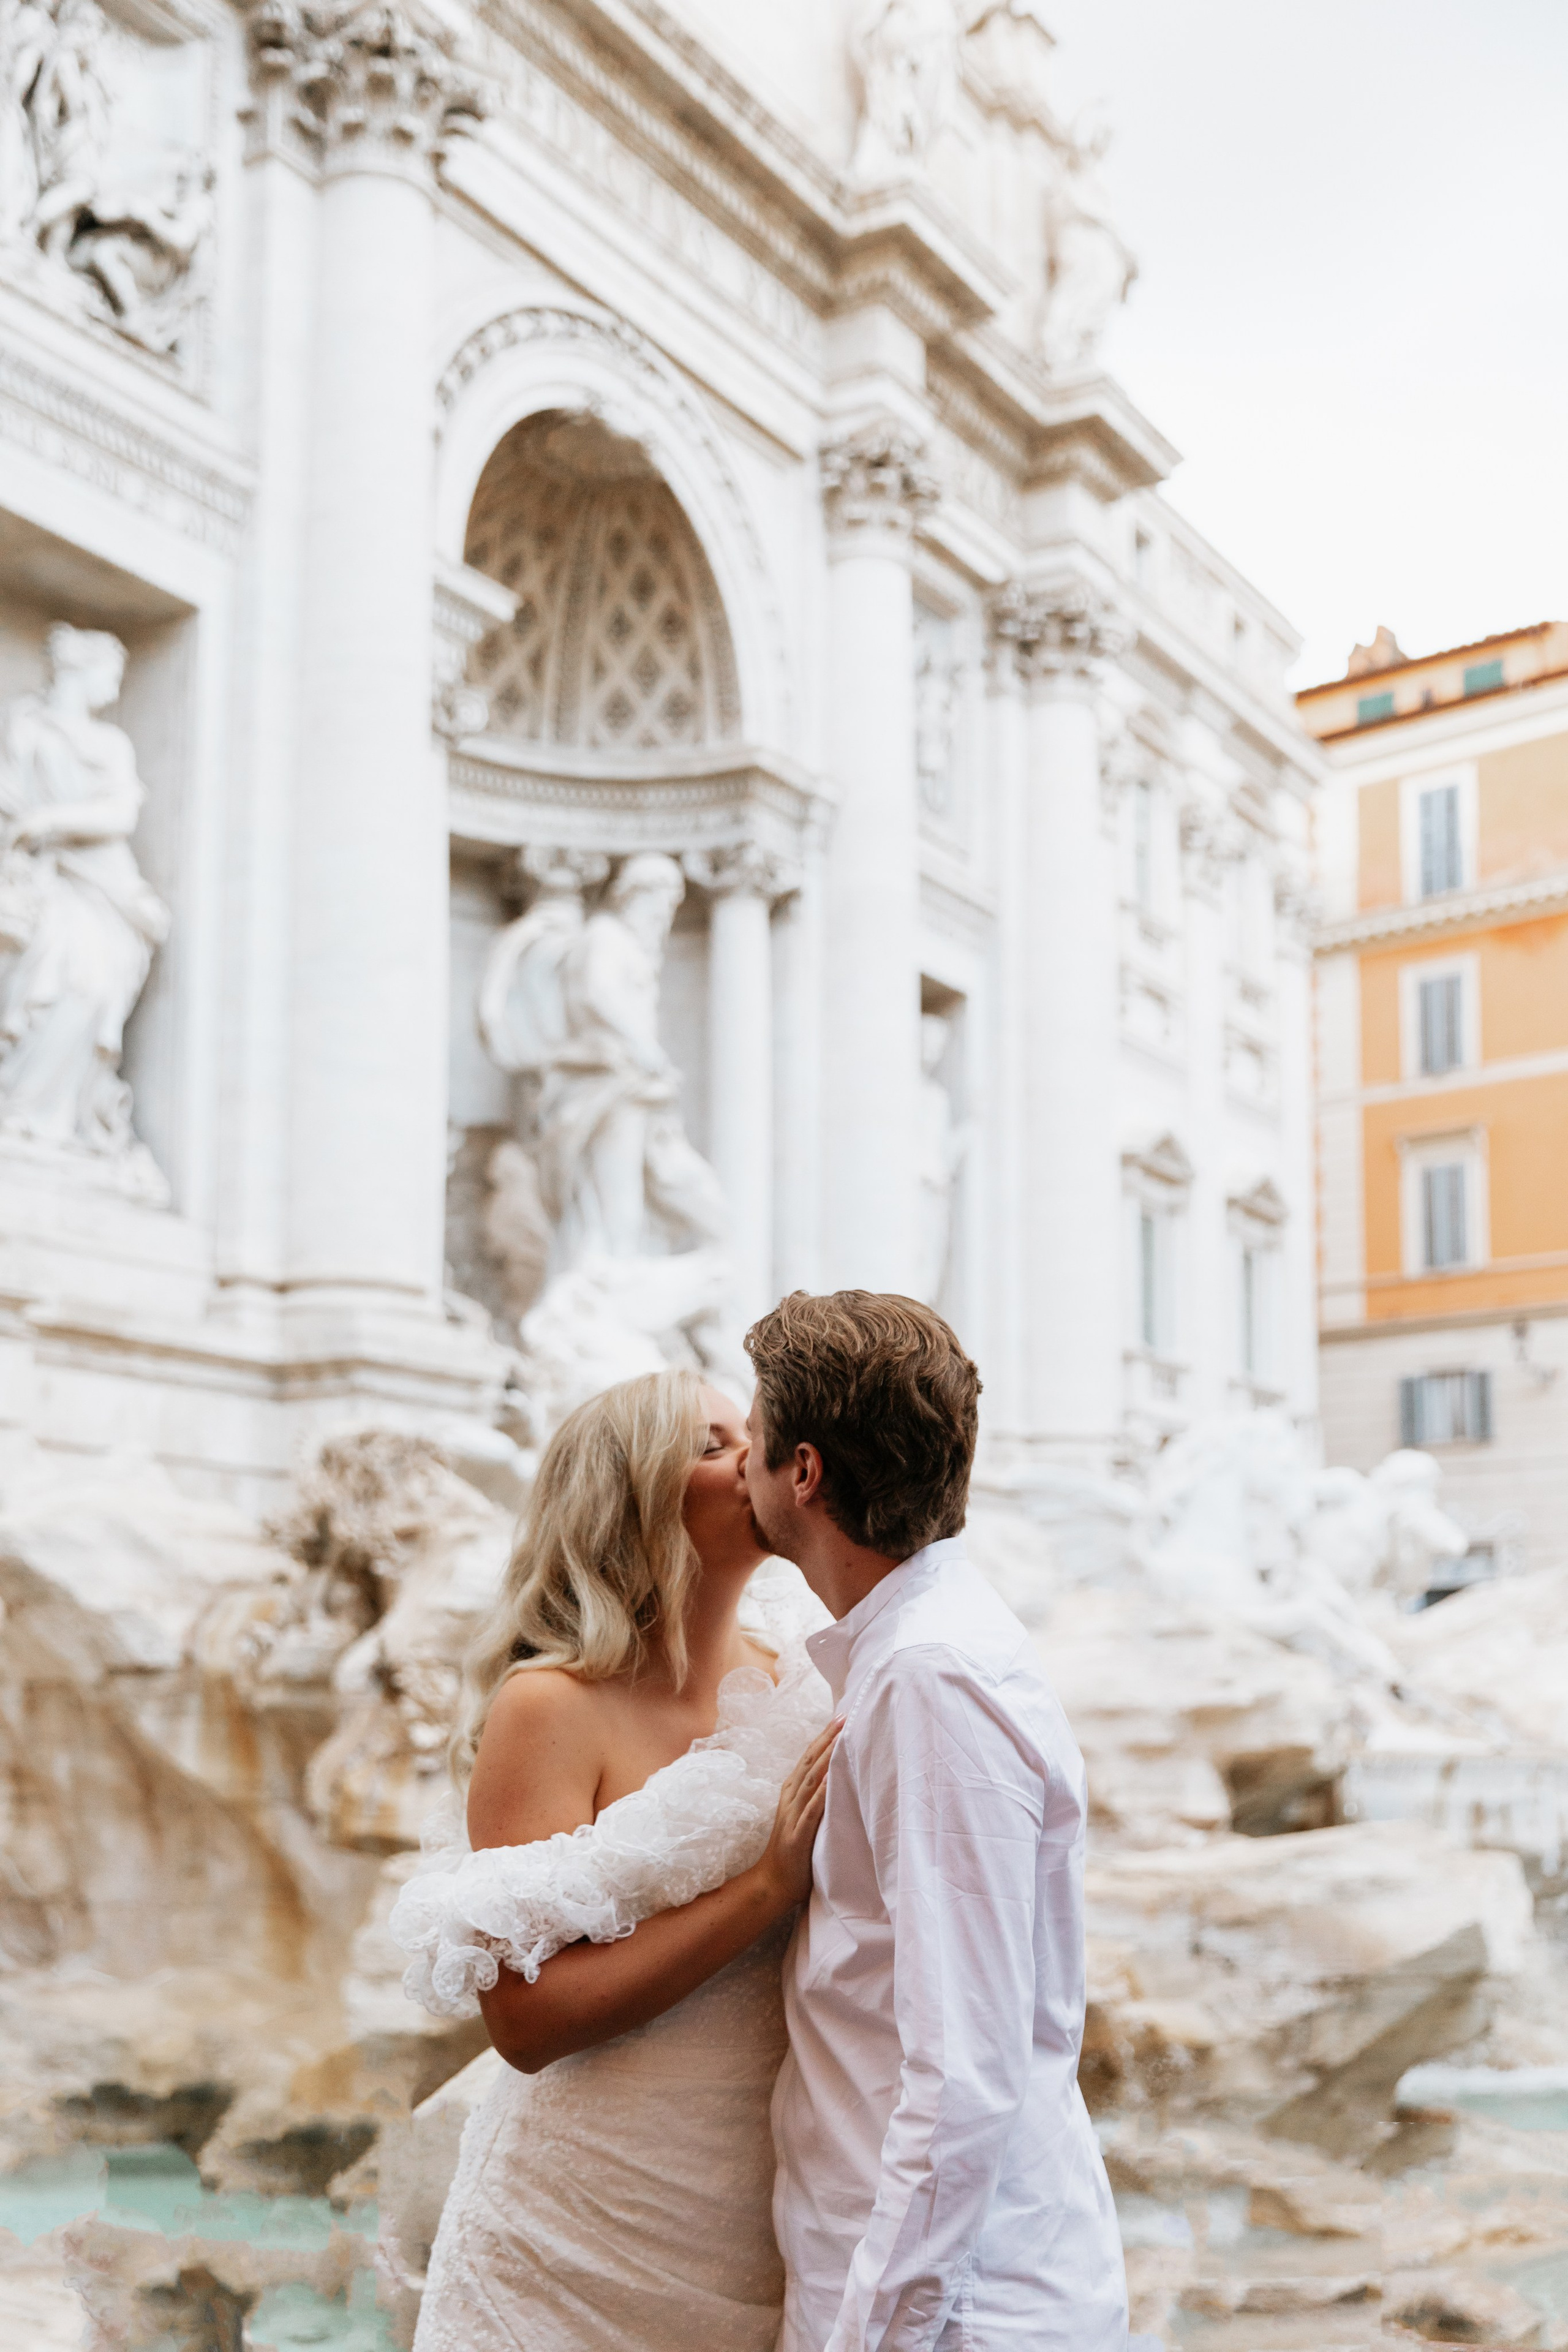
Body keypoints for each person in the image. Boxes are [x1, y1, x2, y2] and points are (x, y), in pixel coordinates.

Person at [391, 1368, 837, 2351]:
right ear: (632, 1496)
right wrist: (764, 1887)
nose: (755, 1462)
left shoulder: (804, 1680)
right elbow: (524, 2019)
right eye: (714, 1446)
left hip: (754, 2214)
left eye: (749, 1436)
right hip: (575, 2226)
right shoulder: (549, 1707)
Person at [745, 1290, 1129, 2352]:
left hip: (959, 2314)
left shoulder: (931, 1677)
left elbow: (965, 2069)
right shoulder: (910, 1656)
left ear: (806, 1471)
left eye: (757, 1439)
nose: (742, 1462)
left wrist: (877, 2336)